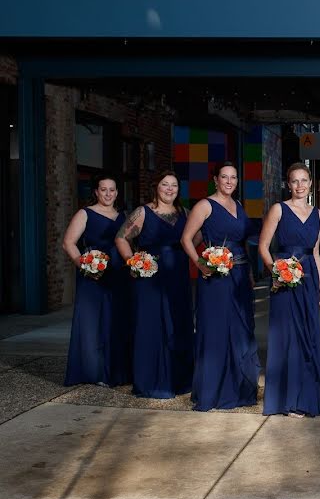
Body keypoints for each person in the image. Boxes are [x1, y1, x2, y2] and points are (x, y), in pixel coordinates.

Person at [180, 162, 261, 411]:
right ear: (215, 179)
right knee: (216, 331)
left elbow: (243, 243)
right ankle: (214, 390)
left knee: (240, 330)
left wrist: (248, 272)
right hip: (216, 278)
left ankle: (238, 387)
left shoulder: (238, 206)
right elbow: (186, 239)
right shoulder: (204, 205)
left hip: (239, 277)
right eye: (224, 177)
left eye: (233, 177)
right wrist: (201, 264)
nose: (229, 181)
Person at [115, 171, 197, 398]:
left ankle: (179, 379)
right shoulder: (143, 212)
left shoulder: (186, 213)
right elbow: (121, 237)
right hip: (150, 279)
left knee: (178, 323)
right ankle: (150, 380)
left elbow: (195, 237)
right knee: (150, 326)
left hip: (178, 278)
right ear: (156, 187)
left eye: (174, 185)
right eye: (165, 185)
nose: (169, 189)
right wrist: (134, 261)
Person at [259, 163, 320, 418]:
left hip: (309, 279)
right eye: (294, 181)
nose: (300, 185)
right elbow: (263, 247)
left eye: (304, 180)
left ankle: (307, 395)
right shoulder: (279, 209)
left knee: (308, 337)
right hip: (284, 280)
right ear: (288, 184)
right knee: (287, 338)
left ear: (310, 184)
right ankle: (288, 400)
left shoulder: (317, 213)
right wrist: (276, 273)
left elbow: (316, 254)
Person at [62, 173, 132, 387]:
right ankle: (95, 372)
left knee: (117, 321)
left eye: (112, 190)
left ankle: (118, 371)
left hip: (119, 275)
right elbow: (68, 243)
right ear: (96, 192)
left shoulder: (124, 216)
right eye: (103, 190)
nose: (108, 194)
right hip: (94, 275)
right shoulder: (86, 214)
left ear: (117, 193)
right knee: (92, 323)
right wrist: (84, 265)